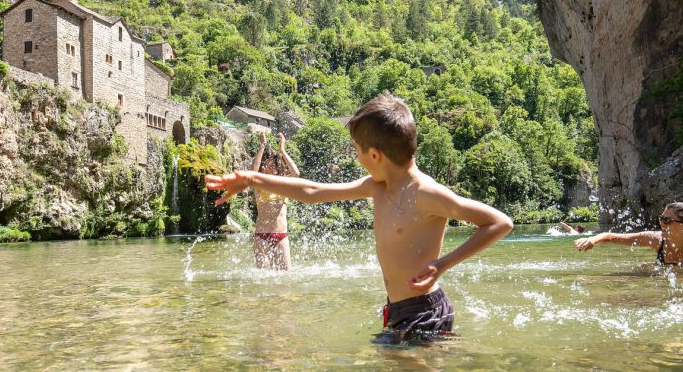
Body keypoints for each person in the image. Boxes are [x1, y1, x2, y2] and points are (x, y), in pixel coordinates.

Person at [207, 93, 514, 343]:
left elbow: (500, 223)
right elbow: (313, 191)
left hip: (425, 312)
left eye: (357, 151)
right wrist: (251, 179)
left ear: (376, 155)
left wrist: (442, 264)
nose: (357, 158)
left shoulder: (427, 194)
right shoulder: (378, 186)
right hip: (398, 309)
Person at [573, 202, 683, 266]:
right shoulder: (656, 239)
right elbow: (614, 237)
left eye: (667, 220)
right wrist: (593, 239)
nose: (661, 223)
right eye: (661, 218)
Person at [250, 132, 300, 270]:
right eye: (265, 166)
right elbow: (253, 171)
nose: (268, 169)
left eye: (272, 166)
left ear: (278, 168)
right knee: (264, 277)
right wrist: (262, 146)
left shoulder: (283, 185)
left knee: (286, 275)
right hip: (261, 236)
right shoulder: (259, 186)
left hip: (281, 235)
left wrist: (282, 150)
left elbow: (296, 173)